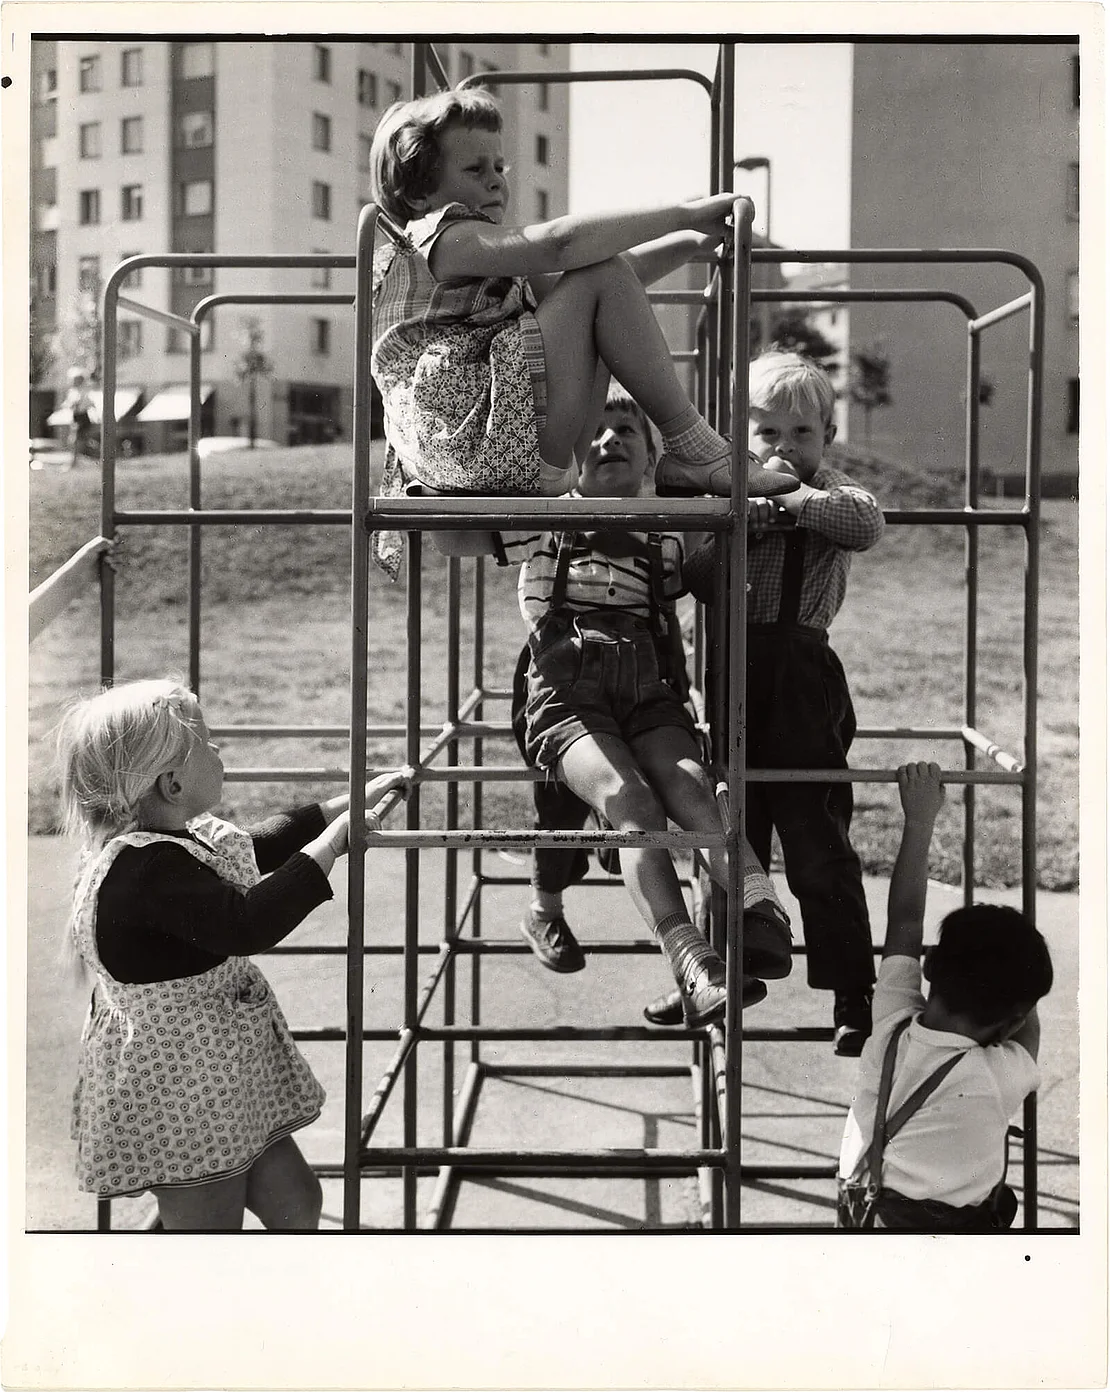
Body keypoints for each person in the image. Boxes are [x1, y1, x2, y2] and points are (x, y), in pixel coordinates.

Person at [465, 383, 793, 1027]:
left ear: (652, 460)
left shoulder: (668, 533)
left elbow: (734, 543)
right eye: (594, 430)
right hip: (566, 694)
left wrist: (739, 513)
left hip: (647, 691)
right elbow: (456, 535)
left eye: (627, 431)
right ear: (567, 454)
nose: (609, 439)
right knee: (628, 804)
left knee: (694, 783)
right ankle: (690, 961)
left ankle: (760, 905)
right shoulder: (538, 521)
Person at [367, 87, 796, 576]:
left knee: (602, 273)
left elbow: (611, 276)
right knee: (596, 270)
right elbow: (562, 245)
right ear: (421, 191)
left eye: (499, 169)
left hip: (500, 448)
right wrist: (681, 212)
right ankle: (692, 446)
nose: (494, 183)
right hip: (477, 437)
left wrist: (692, 243)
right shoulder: (439, 238)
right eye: (474, 170)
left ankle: (691, 450)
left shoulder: (486, 255)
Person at [57, 678, 411, 1230]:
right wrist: (333, 845)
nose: (219, 752)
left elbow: (264, 842)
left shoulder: (179, 838)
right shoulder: (146, 869)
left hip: (222, 1072)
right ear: (174, 783)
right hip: (179, 1087)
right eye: (207, 744)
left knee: (297, 1202)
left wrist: (352, 801)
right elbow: (247, 925)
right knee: (208, 1228)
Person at [742, 348, 886, 1055]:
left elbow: (865, 525)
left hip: (802, 679)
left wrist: (792, 503)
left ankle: (850, 989)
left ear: (827, 436)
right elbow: (692, 564)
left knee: (816, 839)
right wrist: (743, 518)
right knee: (727, 829)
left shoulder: (831, 492)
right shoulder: (730, 493)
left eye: (802, 433)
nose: (785, 447)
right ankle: (719, 966)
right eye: (768, 433)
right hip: (733, 675)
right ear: (745, 435)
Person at [837, 762, 1053, 1230]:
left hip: (873, 1216)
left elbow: (905, 921)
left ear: (929, 965)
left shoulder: (891, 1027)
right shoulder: (1002, 1072)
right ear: (1014, 1018)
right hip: (960, 1233)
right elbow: (1025, 1023)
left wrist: (920, 820)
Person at [63, 367, 95, 470]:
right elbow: (69, 404)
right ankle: (76, 461)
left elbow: (88, 404)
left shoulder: (83, 392)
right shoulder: (73, 391)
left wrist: (76, 404)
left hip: (81, 417)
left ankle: (74, 462)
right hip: (76, 417)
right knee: (76, 441)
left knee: (75, 440)